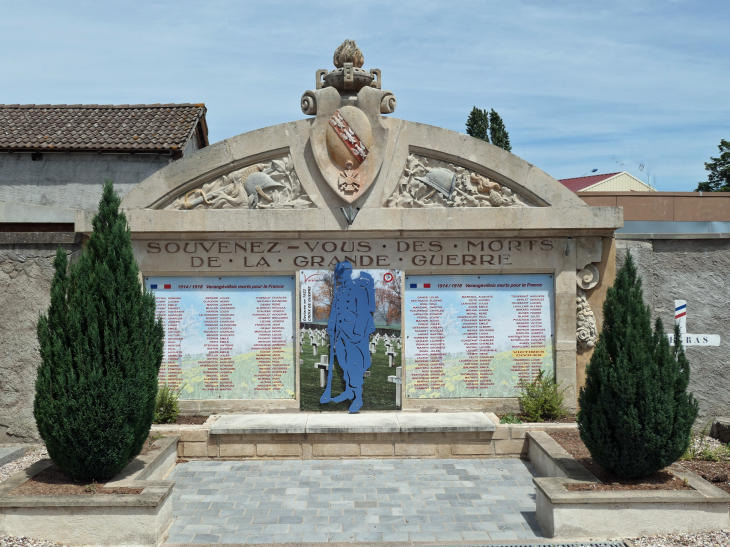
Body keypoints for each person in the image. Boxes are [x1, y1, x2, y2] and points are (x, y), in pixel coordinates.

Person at [320, 261, 375, 413]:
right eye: (339, 274)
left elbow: (364, 313)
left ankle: (358, 397)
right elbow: (334, 312)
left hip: (355, 334)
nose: (339, 277)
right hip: (341, 333)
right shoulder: (339, 291)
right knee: (344, 364)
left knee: (355, 365)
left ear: (349, 272)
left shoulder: (359, 290)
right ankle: (349, 391)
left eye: (342, 273)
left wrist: (358, 334)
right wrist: (331, 327)